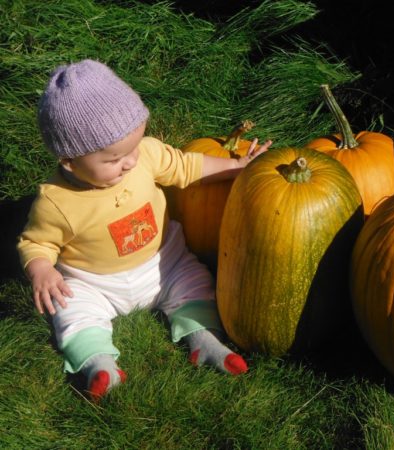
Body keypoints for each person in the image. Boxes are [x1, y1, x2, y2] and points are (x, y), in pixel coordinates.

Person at [17, 59, 271, 401]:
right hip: (95, 283)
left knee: (194, 282)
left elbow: (187, 165)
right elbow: (37, 241)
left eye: (134, 147)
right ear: (69, 161)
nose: (130, 161)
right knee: (72, 311)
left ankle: (204, 340)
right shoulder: (57, 200)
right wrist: (42, 269)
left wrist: (235, 167)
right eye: (113, 159)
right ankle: (98, 363)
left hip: (163, 262)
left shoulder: (147, 155)